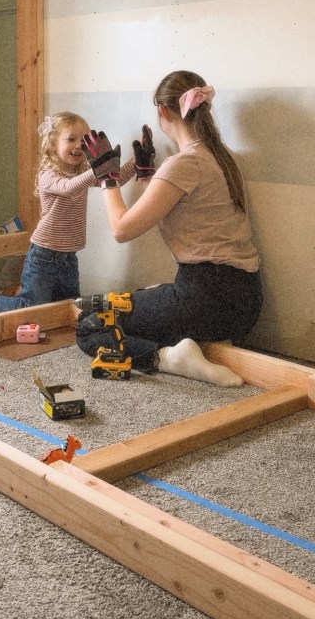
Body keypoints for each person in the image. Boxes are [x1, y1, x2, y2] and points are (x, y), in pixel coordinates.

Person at [76, 70, 263, 387]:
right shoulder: (221, 157)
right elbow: (173, 207)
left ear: (163, 111)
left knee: (91, 324)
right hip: (243, 301)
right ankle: (203, 341)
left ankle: (165, 358)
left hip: (205, 299)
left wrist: (108, 178)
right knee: (140, 298)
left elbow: (122, 229)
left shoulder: (183, 163)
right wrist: (148, 173)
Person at [0, 110, 143, 320]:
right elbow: (68, 187)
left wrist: (136, 162)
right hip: (43, 255)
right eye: (71, 139)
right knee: (33, 309)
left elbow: (112, 179)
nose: (79, 145)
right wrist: (97, 170)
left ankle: (19, 293)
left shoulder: (81, 174)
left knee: (69, 305)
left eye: (83, 140)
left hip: (69, 256)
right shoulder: (48, 175)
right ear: (53, 143)